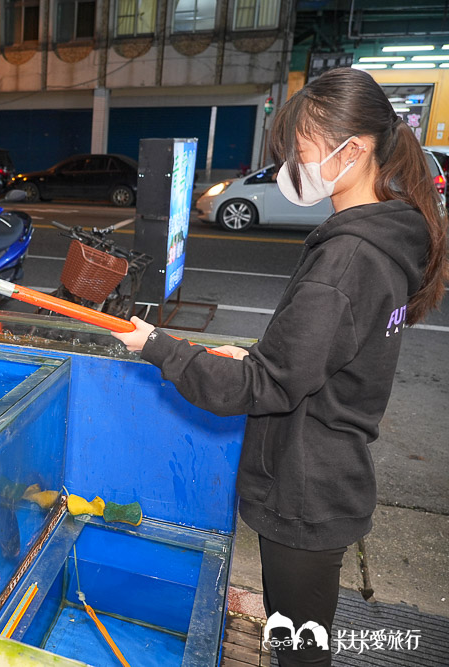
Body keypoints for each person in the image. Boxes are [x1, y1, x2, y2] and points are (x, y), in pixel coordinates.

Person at [113, 67, 448, 666]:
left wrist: (157, 345)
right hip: (327, 476)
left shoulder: (349, 260)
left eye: (302, 150)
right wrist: (263, 358)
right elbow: (315, 360)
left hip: (305, 493)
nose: (294, 164)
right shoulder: (386, 242)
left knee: (297, 652)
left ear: (355, 150)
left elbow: (261, 387)